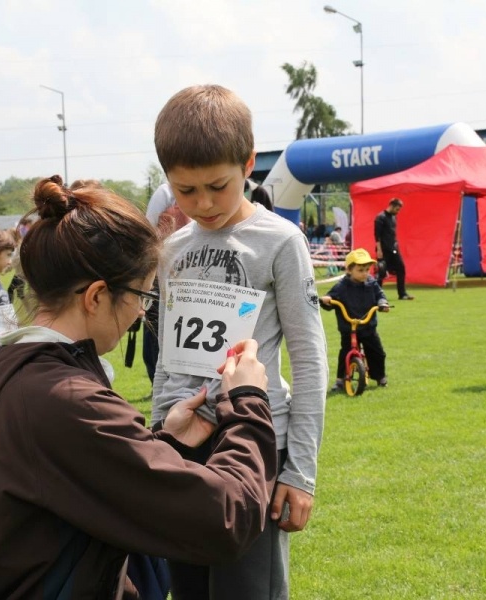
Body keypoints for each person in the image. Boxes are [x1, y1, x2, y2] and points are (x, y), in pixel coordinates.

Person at [0, 176, 278, 598]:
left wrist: (165, 443)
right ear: (96, 296)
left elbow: (70, 478)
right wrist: (249, 402)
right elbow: (226, 518)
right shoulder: (67, 400)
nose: (141, 313)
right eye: (141, 296)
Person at [152, 84, 328, 599]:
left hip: (254, 448)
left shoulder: (281, 241)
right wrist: (159, 440)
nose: (203, 203)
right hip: (182, 450)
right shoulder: (171, 249)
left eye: (218, 185)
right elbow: (167, 359)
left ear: (249, 163)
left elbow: (310, 359)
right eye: (185, 190)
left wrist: (300, 471)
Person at [321, 248, 390, 391]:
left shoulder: (371, 283)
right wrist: (327, 300)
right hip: (349, 328)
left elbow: (380, 295)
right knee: (345, 352)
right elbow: (331, 298)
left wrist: (382, 303)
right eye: (360, 270)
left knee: (377, 352)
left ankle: (380, 376)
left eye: (367, 270)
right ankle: (340, 380)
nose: (365, 273)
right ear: (349, 270)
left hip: (368, 327)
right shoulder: (341, 286)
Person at [142, 183, 190, 382]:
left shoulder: (168, 193)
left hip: (182, 276)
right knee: (156, 334)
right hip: (163, 275)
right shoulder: (166, 192)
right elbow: (149, 233)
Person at [375, 197, 414, 300]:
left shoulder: (393, 217)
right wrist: (379, 250)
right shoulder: (380, 217)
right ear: (391, 206)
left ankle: (402, 294)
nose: (398, 211)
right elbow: (377, 236)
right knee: (381, 272)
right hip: (383, 249)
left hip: (393, 248)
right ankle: (377, 295)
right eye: (397, 209)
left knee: (401, 268)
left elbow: (392, 234)